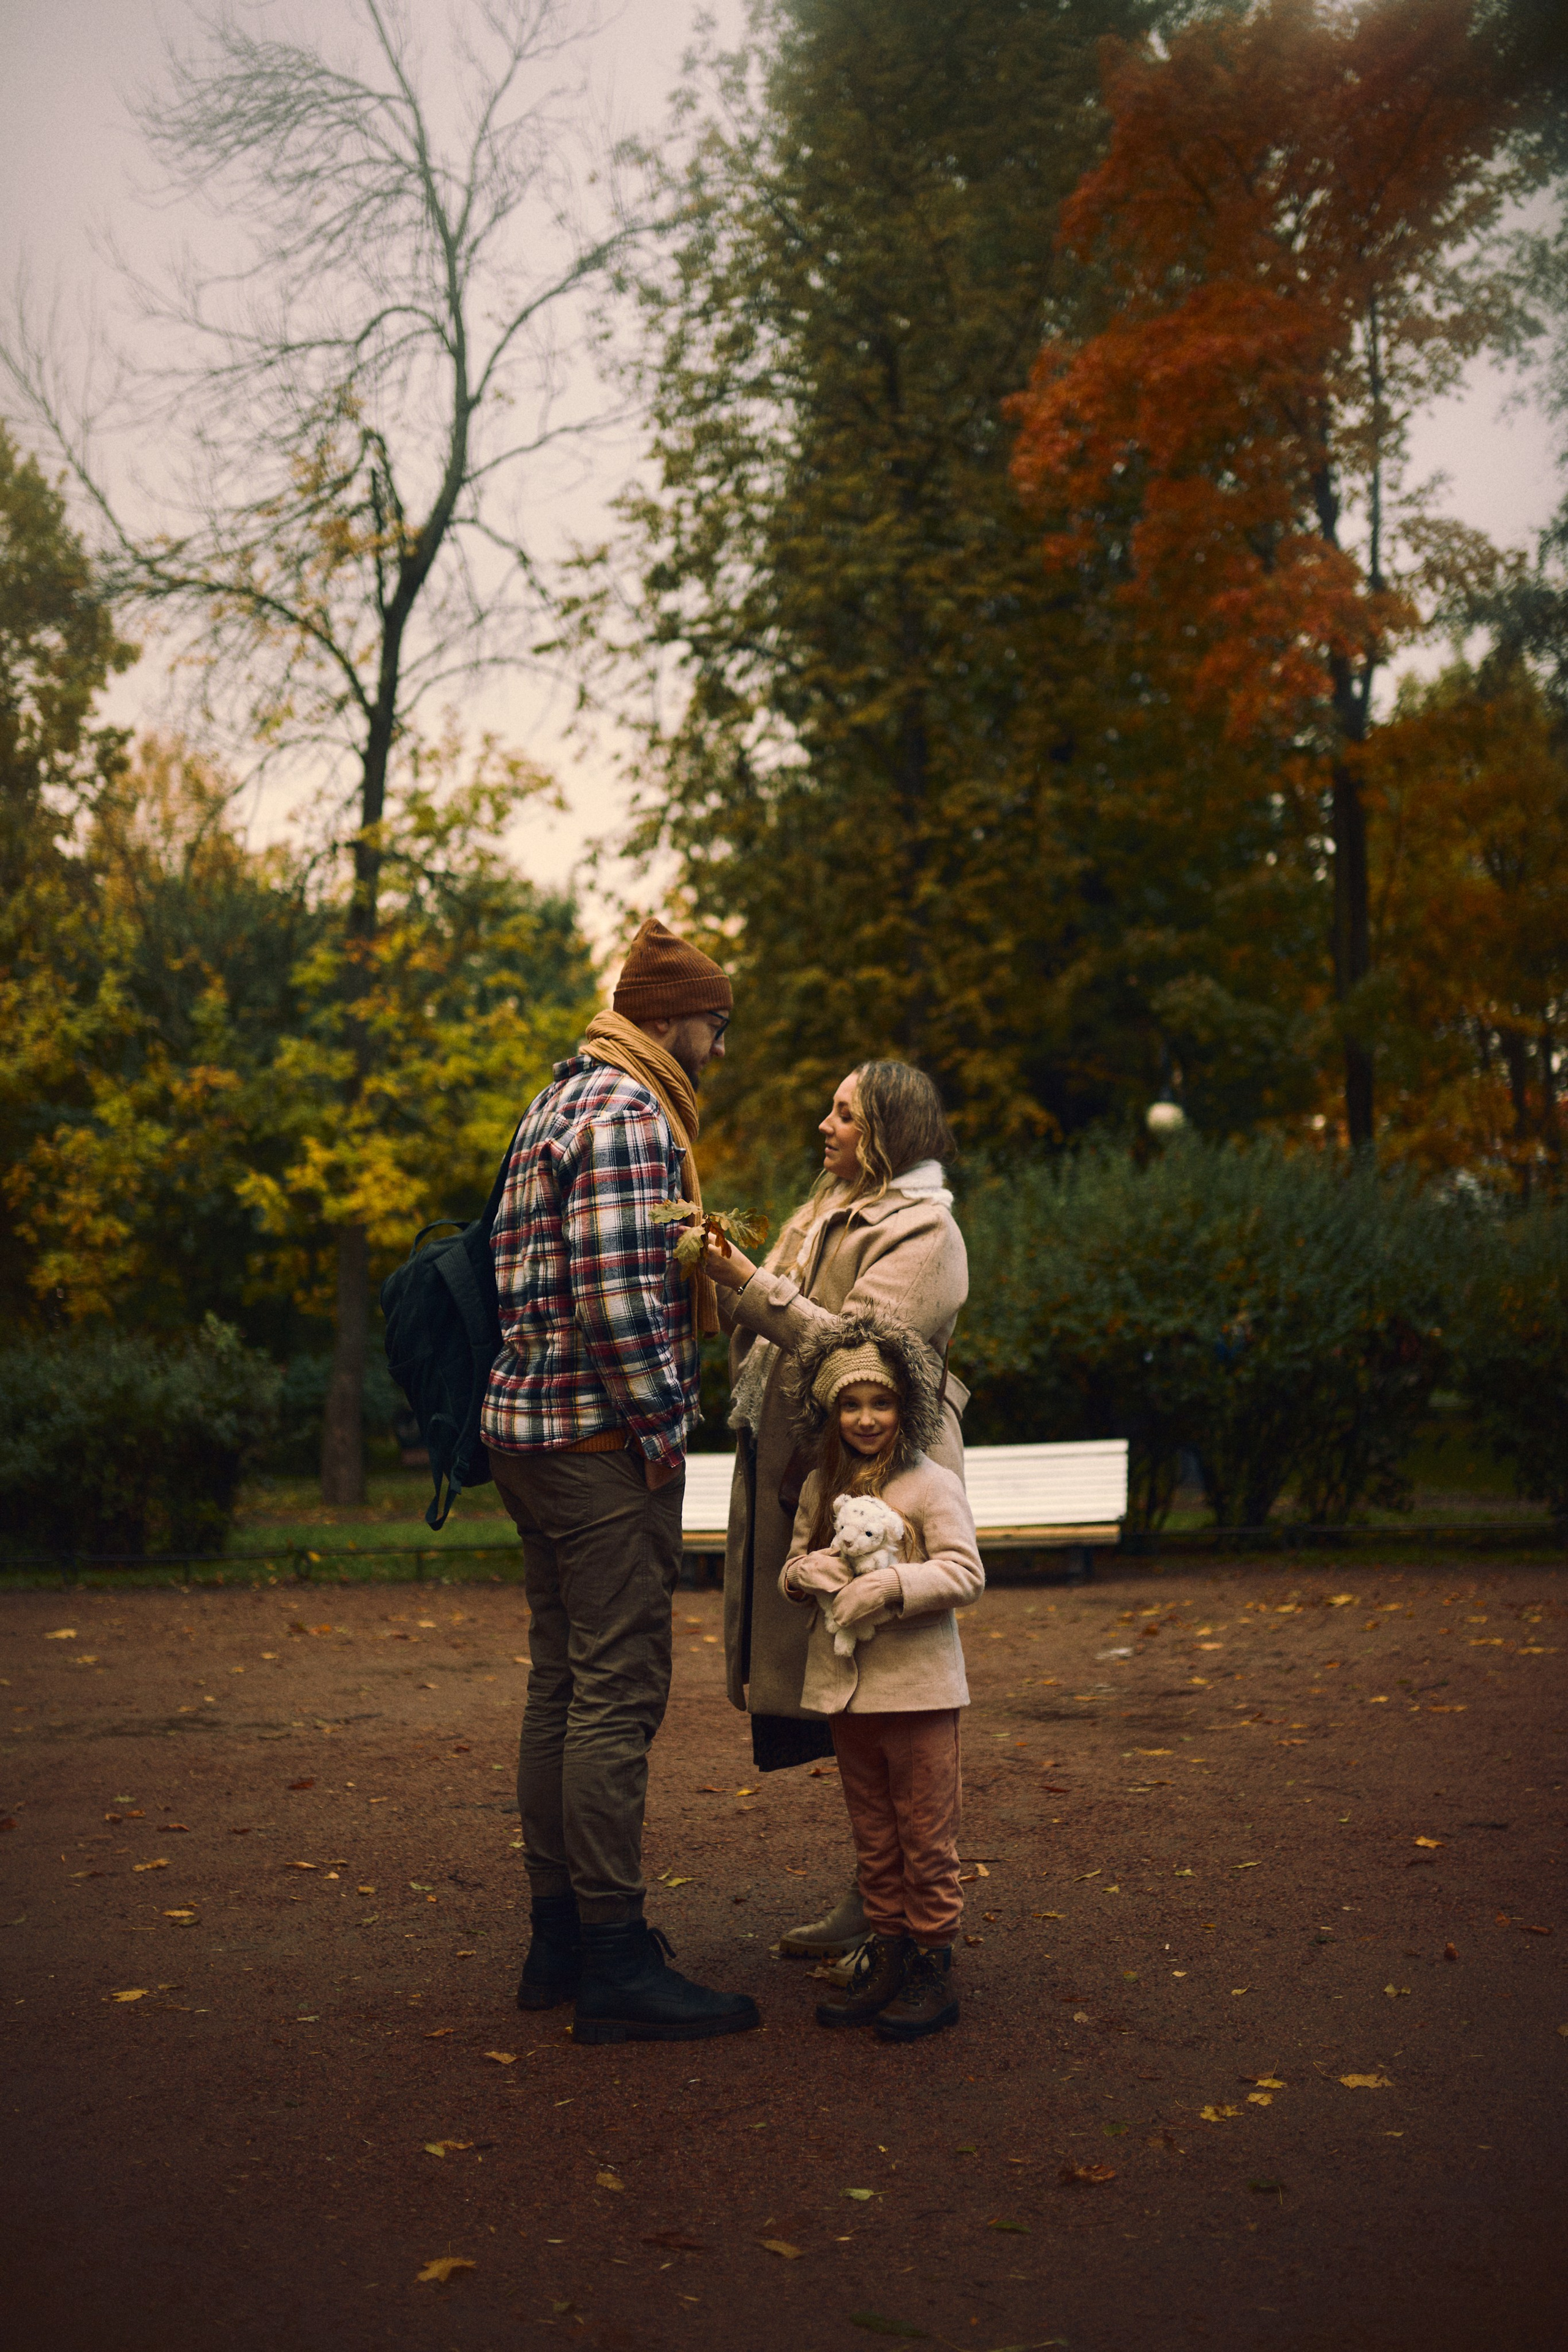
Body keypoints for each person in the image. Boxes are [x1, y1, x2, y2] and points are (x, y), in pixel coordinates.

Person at [481, 917, 760, 2046]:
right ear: (667, 1016)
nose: (720, 1048)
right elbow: (614, 1301)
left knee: (561, 1683)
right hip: (596, 1449)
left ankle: (558, 1938)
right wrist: (663, 1431)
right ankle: (612, 1959)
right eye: (715, 1023)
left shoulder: (557, 1099)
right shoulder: (630, 1117)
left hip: (528, 1437)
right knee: (616, 1693)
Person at [701, 1061, 968, 1960]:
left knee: (886, 1691)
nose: (825, 1125)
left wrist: (750, 1281)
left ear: (887, 1131)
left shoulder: (926, 1230)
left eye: (844, 1114)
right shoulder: (823, 1207)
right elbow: (753, 1312)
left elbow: (861, 1354)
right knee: (843, 1697)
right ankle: (877, 1897)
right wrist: (710, 1266)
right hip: (815, 1472)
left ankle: (903, 1923)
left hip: (884, 1485)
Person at [778, 1310, 984, 2040]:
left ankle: (932, 1961)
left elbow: (964, 1572)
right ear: (829, 1410)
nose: (866, 1419)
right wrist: (804, 1574)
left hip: (920, 1690)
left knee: (925, 1834)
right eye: (850, 1404)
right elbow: (797, 1560)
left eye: (882, 1402)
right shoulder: (820, 1483)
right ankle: (887, 1952)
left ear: (907, 1406)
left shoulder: (930, 1483)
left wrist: (896, 1587)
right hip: (848, 1694)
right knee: (874, 1833)